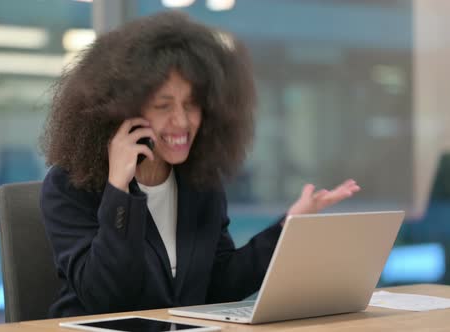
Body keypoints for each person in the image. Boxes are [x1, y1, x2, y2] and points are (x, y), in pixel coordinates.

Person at [40, 12, 360, 318]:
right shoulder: (70, 187)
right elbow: (107, 298)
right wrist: (118, 192)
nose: (181, 121)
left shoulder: (198, 180)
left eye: (191, 104)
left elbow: (219, 285)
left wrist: (288, 228)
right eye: (163, 106)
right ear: (122, 112)